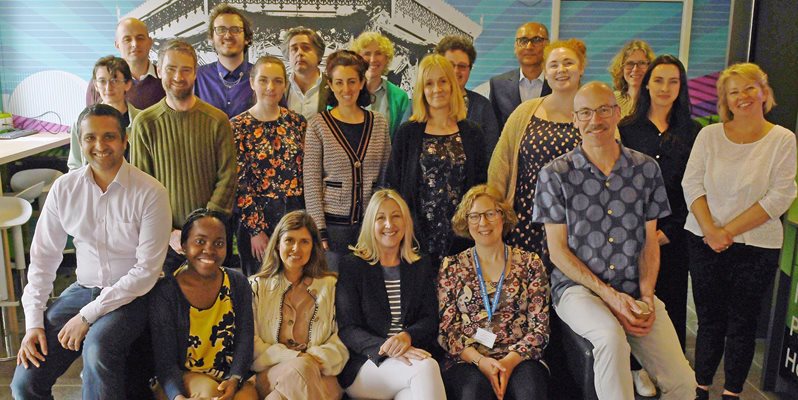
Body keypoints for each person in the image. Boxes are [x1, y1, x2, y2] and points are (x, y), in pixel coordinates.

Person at [533, 81, 696, 400]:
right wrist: (610, 296)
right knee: (610, 338)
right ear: (575, 120)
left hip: (635, 288)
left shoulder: (646, 169)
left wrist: (647, 296)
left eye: (604, 110)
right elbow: (558, 251)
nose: (596, 120)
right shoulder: (554, 174)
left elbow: (650, 242)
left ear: (617, 113)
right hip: (578, 289)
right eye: (586, 113)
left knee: (682, 382)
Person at [11, 104, 171, 399]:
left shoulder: (151, 193)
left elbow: (146, 272)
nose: (100, 146)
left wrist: (86, 317)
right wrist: (33, 323)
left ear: (125, 140)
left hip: (132, 296)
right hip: (82, 290)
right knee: (25, 381)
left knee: (98, 348)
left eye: (109, 137)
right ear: (80, 141)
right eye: (90, 138)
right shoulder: (64, 189)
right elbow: (43, 259)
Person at [683, 63, 797, 400]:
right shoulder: (709, 135)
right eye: (734, 92)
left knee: (742, 324)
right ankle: (700, 388)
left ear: (764, 92)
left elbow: (779, 197)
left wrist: (726, 232)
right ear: (725, 101)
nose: (743, 97)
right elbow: (691, 184)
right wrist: (710, 230)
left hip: (756, 247)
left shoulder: (782, 140)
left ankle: (732, 393)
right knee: (709, 321)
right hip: (703, 240)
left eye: (749, 88)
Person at [130, 39, 237, 274]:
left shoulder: (217, 120)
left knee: (216, 306)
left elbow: (228, 177)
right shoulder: (145, 123)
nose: (178, 76)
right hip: (166, 241)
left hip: (213, 238)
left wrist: (202, 231)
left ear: (195, 73)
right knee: (167, 307)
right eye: (171, 68)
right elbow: (141, 186)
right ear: (159, 71)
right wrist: (168, 232)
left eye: (186, 69)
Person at [438, 184, 550, 400]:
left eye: (490, 213)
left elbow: (540, 328)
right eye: (475, 216)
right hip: (468, 360)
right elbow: (448, 331)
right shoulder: (451, 266)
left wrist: (507, 363)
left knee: (530, 391)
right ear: (465, 221)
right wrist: (482, 362)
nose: (483, 223)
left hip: (520, 358)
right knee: (473, 393)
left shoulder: (530, 263)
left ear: (503, 216)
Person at [619, 54, 700, 350]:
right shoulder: (626, 129)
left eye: (673, 81)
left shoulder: (694, 132)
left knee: (672, 304)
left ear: (681, 87)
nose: (665, 88)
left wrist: (670, 230)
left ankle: (669, 370)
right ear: (647, 85)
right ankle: (636, 368)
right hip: (632, 237)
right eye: (658, 80)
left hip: (674, 235)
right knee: (634, 303)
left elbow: (695, 188)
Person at [336, 189, 446, 399]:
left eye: (396, 216)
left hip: (410, 360)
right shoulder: (352, 266)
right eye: (381, 218)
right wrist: (387, 348)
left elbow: (430, 319)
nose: (389, 224)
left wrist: (407, 336)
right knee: (427, 367)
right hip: (367, 365)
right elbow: (348, 329)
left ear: (406, 222)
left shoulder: (419, 265)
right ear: (371, 224)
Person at [488, 38, 585, 263]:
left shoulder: (594, 114)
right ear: (546, 71)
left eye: (568, 63)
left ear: (581, 68)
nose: (561, 70)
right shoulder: (526, 112)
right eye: (553, 64)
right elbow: (500, 167)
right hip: (524, 224)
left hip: (578, 228)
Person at [386, 53, 487, 270]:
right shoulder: (408, 133)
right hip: (416, 238)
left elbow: (480, 186)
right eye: (429, 83)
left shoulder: (472, 133)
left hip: (461, 239)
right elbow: (393, 186)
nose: (437, 89)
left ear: (452, 85)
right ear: (421, 89)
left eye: (443, 81)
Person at [149, 209, 257, 400]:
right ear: (183, 245)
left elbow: (245, 339)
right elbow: (165, 361)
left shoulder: (238, 283)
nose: (209, 249)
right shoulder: (167, 291)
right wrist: (178, 397)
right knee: (209, 393)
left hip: (228, 376)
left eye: (219, 243)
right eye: (200, 241)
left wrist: (234, 379)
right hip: (180, 378)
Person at [304, 50, 391, 271]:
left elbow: (385, 177)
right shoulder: (318, 125)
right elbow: (312, 183)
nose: (346, 89)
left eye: (352, 81)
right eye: (339, 82)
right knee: (335, 293)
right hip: (333, 230)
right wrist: (319, 231)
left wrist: (380, 221)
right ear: (331, 85)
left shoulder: (379, 123)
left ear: (362, 82)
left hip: (370, 226)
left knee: (366, 292)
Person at [250, 210, 347, 399]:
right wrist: (298, 360)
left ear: (313, 247)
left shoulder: (330, 286)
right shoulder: (255, 286)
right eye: (289, 240)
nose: (296, 248)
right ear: (277, 244)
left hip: (321, 373)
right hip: (271, 374)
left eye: (304, 242)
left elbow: (341, 339)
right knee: (302, 369)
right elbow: (251, 343)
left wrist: (312, 361)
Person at [231, 56, 306, 276]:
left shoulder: (297, 122)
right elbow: (239, 183)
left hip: (294, 214)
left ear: (285, 84)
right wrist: (256, 230)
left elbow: (305, 172)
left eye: (277, 81)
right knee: (260, 284)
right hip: (257, 219)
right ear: (252, 82)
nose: (270, 87)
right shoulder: (237, 126)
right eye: (263, 80)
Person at [69, 55, 139, 170]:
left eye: (114, 80)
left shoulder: (141, 121)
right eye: (102, 81)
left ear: (128, 84)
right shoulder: (81, 121)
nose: (108, 87)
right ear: (96, 85)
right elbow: (75, 165)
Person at [436, 35, 501, 158]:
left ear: (470, 69)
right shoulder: (421, 102)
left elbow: (490, 153)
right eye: (450, 65)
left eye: (462, 66)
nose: (455, 71)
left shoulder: (483, 106)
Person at [86, 17, 165, 110]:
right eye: (127, 39)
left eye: (140, 38)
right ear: (117, 45)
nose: (135, 44)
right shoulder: (101, 83)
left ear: (150, 42)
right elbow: (91, 120)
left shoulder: (166, 79)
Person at [489, 22, 552, 131]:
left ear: (548, 45)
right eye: (523, 41)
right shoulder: (498, 85)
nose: (529, 46)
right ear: (515, 47)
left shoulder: (557, 84)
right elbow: (494, 130)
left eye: (536, 40)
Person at [195, 3, 254, 118]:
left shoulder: (262, 77)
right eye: (221, 29)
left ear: (247, 38)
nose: (228, 35)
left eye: (235, 29)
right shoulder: (197, 77)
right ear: (211, 38)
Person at [350, 31, 410, 139]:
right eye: (367, 54)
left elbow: (401, 140)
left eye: (378, 53)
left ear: (386, 58)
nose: (373, 60)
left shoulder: (400, 97)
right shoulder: (345, 91)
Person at [281, 26, 330, 119]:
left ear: (319, 54)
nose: (299, 53)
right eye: (294, 49)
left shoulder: (332, 86)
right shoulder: (281, 86)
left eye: (306, 48)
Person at [609, 40, 655, 117]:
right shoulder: (610, 101)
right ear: (621, 68)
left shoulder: (656, 103)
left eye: (642, 63)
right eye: (630, 63)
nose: (635, 69)